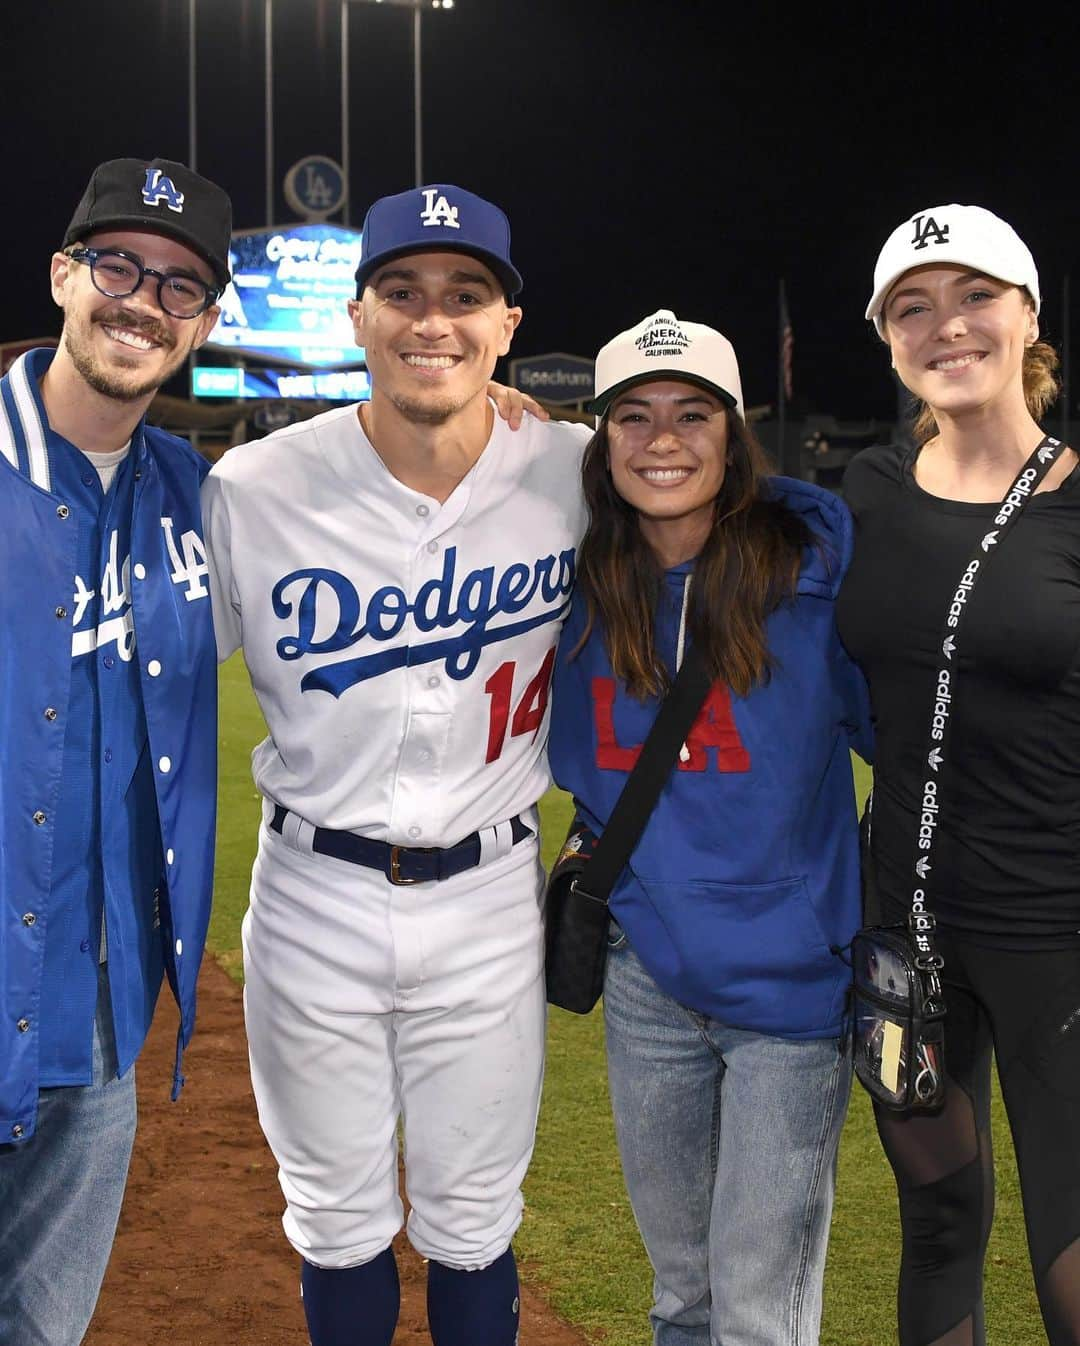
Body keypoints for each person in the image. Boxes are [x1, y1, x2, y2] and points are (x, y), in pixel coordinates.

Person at [201, 183, 590, 1346]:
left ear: (507, 326)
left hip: (486, 900)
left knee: (474, 1217)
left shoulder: (574, 469)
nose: (436, 320)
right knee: (334, 1217)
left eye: (466, 295)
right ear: (358, 316)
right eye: (405, 294)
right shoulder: (252, 489)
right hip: (313, 893)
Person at [548, 310, 871, 1346]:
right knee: (681, 1293)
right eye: (633, 417)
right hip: (648, 982)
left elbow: (913, 736)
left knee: (760, 1311)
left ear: (734, 432)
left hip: (791, 992)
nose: (665, 440)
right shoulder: (577, 579)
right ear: (601, 442)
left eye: (694, 413)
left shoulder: (815, 569)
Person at [838, 204, 1080, 1346]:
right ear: (887, 336)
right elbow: (681, 495)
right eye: (912, 306)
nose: (947, 325)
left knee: (1071, 1248)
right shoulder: (864, 492)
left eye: (975, 295)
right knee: (938, 1227)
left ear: (1027, 314)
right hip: (907, 938)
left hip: (1059, 936)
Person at [0, 157, 228, 1345]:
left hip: (95, 1013)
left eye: (181, 283)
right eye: (118, 265)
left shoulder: (196, 493)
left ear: (204, 320)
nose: (143, 298)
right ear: (62, 275)